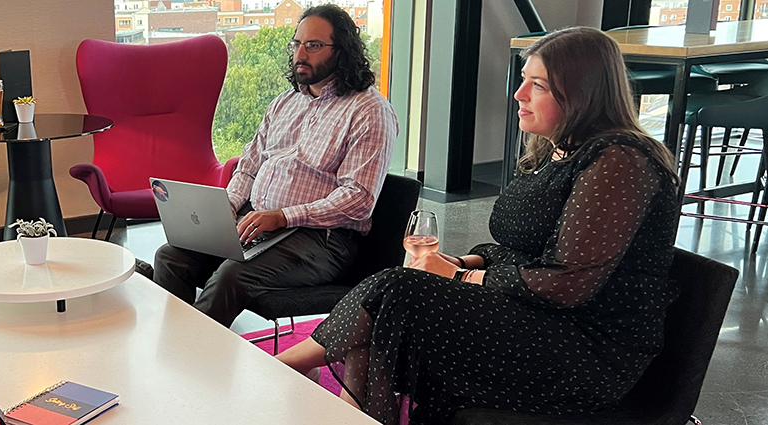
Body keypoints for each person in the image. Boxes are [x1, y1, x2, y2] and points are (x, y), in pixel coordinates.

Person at [276, 27, 683, 425]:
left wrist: (460, 274)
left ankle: (289, 367)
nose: (519, 95)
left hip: (586, 351)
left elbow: (568, 282)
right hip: (539, 320)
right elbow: (522, 248)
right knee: (397, 293)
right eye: (524, 81)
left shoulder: (621, 161)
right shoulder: (556, 151)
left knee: (401, 291)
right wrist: (466, 259)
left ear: (583, 93)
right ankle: (348, 408)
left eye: (537, 85)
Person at [153, 5, 397, 327]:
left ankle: (192, 361)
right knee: (171, 256)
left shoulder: (368, 110)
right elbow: (249, 164)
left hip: (322, 239)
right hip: (258, 223)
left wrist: (282, 217)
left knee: (232, 276)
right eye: (296, 44)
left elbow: (358, 199)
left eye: (313, 46)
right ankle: (177, 350)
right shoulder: (285, 102)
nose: (300, 54)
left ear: (343, 51)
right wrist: (230, 203)